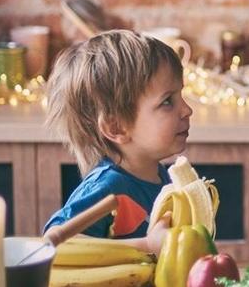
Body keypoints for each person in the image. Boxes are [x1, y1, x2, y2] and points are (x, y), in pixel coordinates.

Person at [44, 29, 191, 253]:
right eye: (167, 101)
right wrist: (147, 245)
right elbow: (55, 245)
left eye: (181, 95)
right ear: (116, 127)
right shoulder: (107, 188)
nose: (187, 110)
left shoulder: (161, 177)